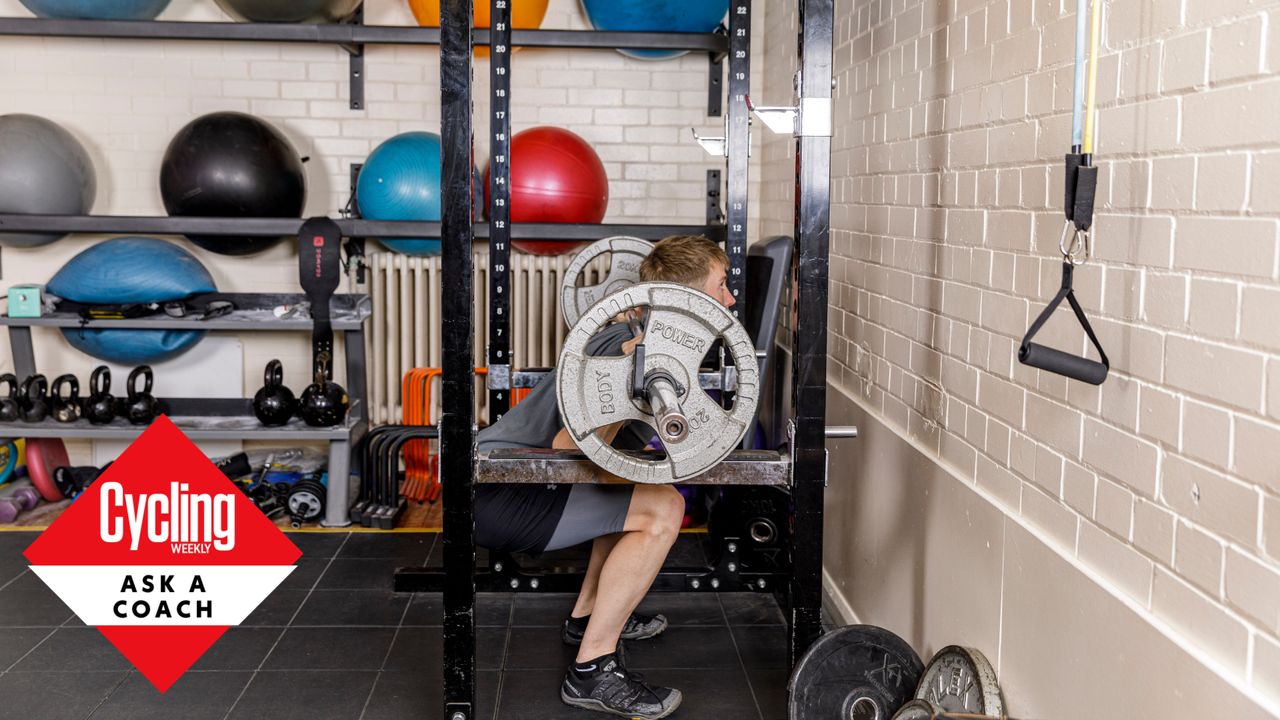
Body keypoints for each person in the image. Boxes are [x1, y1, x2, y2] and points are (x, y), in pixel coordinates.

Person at [474, 234, 735, 720]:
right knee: (664, 509)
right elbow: (566, 451)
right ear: (691, 296)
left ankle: (586, 617)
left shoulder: (642, 338)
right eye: (722, 285)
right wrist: (626, 391)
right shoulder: (627, 348)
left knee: (635, 489)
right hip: (507, 487)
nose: (731, 299)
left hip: (520, 481)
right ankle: (591, 669)